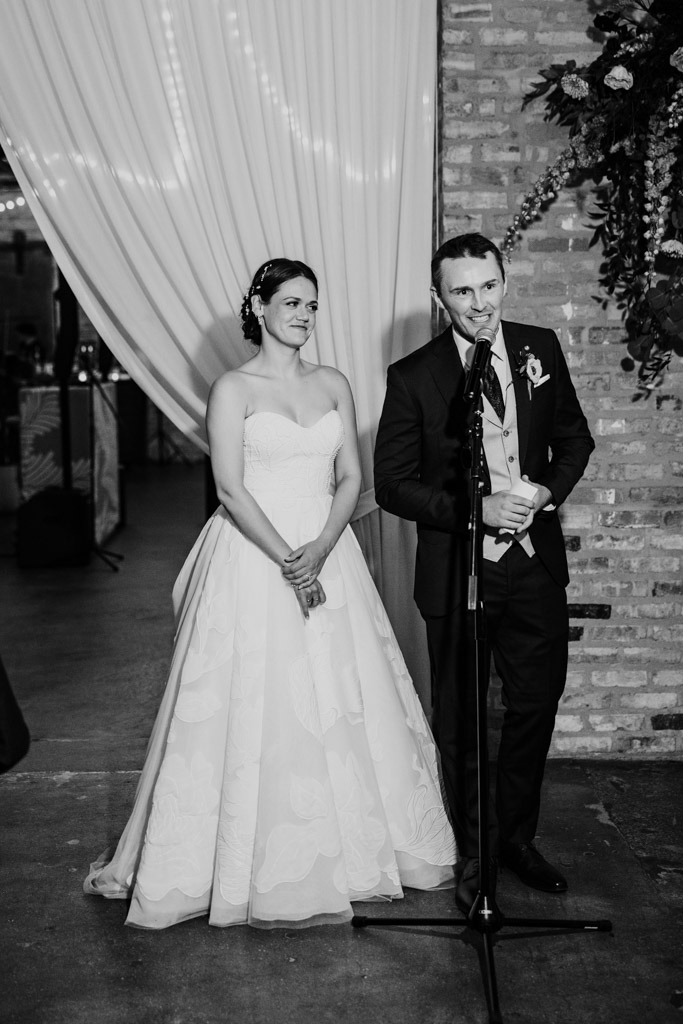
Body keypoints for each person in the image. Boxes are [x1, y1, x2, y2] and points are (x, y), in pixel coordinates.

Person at [84, 258, 455, 929]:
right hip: (254, 557)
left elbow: (350, 478)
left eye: (312, 305)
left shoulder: (335, 384)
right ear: (257, 307)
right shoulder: (233, 388)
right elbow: (230, 487)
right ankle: (229, 863)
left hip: (328, 550)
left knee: (344, 699)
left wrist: (319, 549)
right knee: (254, 703)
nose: (304, 316)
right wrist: (290, 559)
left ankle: (351, 853)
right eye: (290, 302)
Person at [373, 233, 594, 914]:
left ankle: (515, 841)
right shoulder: (414, 375)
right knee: (464, 721)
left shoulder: (538, 349)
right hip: (458, 575)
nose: (479, 303)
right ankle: (473, 858)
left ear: (504, 281)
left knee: (532, 707)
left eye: (488, 286)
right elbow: (392, 485)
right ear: (439, 298)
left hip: (532, 569)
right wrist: (477, 508)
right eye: (462, 291)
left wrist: (543, 494)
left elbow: (574, 440)